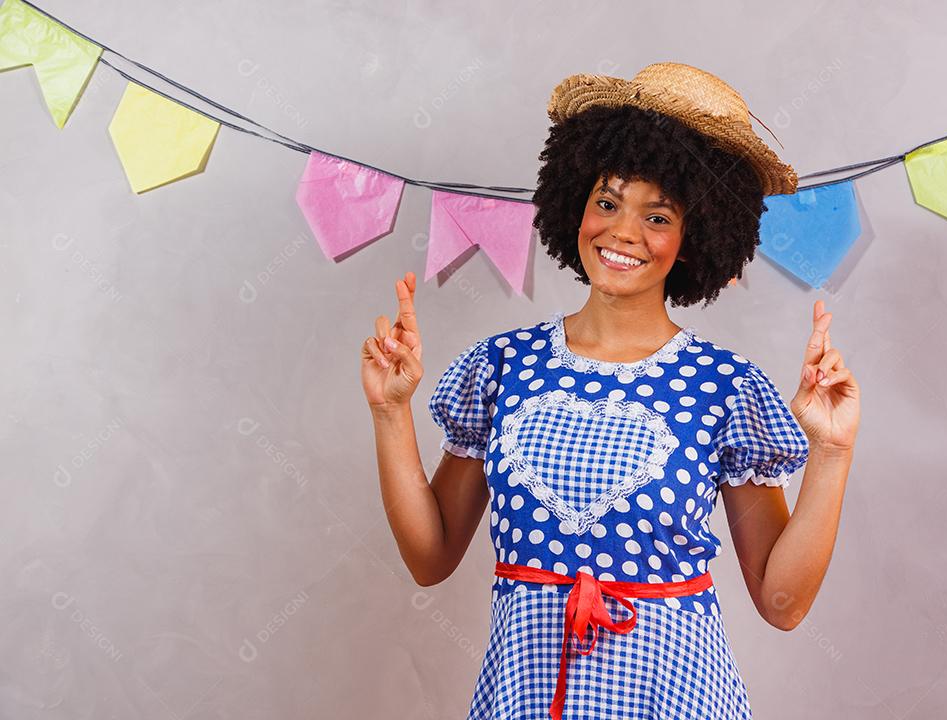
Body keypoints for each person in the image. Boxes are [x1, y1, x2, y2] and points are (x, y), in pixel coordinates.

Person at [362, 62, 860, 720]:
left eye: (658, 215)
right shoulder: (503, 366)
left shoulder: (723, 387)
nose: (623, 232)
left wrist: (831, 450)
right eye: (607, 202)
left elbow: (782, 602)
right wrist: (390, 410)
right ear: (576, 204)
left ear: (694, 237)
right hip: (525, 701)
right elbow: (431, 558)